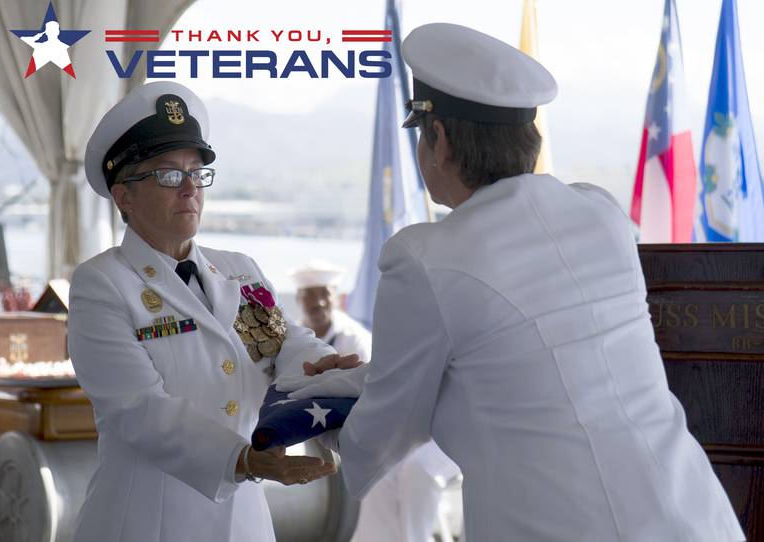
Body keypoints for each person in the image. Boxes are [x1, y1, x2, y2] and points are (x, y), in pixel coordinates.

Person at [284, 23, 745, 541]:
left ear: (438, 141)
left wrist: (316, 407)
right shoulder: (601, 214)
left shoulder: (425, 258)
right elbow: (509, 365)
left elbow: (378, 441)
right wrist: (369, 377)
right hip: (695, 518)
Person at [68, 81, 353, 542]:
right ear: (124, 197)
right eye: (168, 175)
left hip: (243, 523)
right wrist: (239, 459)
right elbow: (138, 409)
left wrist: (325, 367)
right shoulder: (102, 285)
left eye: (196, 174)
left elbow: (281, 346)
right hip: (146, 523)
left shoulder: (238, 272)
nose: (189, 190)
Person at [290, 260, 462, 542]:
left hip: (449, 434)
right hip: (406, 430)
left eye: (324, 295)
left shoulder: (356, 340)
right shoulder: (298, 338)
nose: (318, 304)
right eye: (310, 297)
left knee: (418, 473)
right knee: (378, 474)